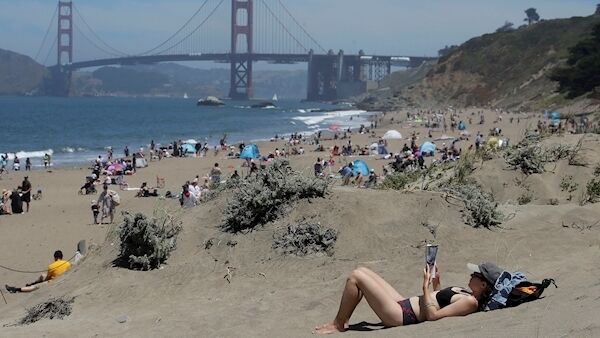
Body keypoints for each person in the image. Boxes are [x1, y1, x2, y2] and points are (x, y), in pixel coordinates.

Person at [314, 262, 501, 334]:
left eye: (475, 275)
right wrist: (436, 282)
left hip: (402, 316)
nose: (471, 276)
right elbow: (440, 300)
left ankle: (339, 323)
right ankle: (344, 319)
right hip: (405, 304)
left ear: (483, 285)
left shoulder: (470, 302)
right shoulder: (466, 293)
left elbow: (433, 316)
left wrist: (425, 286)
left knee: (356, 276)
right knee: (363, 270)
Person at [5, 250, 72, 293]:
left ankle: (16, 289)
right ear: (62, 257)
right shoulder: (68, 263)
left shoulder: (51, 266)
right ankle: (33, 283)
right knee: (43, 275)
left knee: (33, 288)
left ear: (55, 257)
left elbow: (47, 278)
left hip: (54, 282)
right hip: (63, 279)